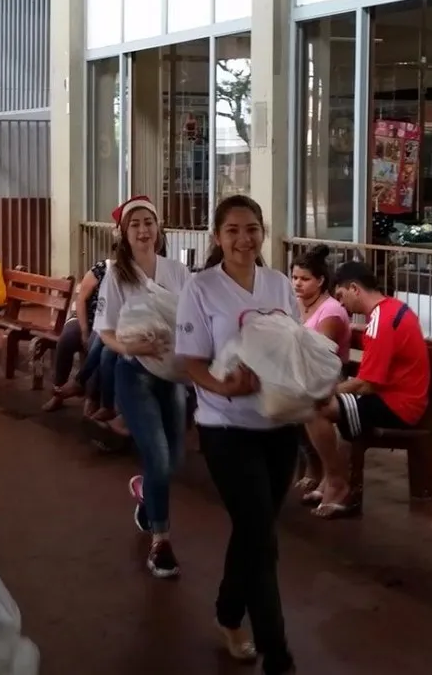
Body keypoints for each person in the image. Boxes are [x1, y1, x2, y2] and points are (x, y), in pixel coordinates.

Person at [174, 194, 300, 673]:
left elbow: (294, 345)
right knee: (261, 537)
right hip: (225, 427)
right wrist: (223, 387)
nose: (244, 239)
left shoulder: (279, 285)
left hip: (279, 425)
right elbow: (190, 361)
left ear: (263, 233)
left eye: (252, 229)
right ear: (217, 237)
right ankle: (276, 653)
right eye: (233, 230)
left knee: (254, 531)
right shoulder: (201, 288)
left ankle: (228, 613)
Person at [93, 195, 189, 579]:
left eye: (148, 222)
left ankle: (146, 497)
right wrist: (131, 348)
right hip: (135, 373)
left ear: (159, 229)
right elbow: (106, 331)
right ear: (124, 233)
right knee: (159, 458)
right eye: (135, 225)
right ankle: (161, 542)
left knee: (173, 460)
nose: (143, 230)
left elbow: (193, 318)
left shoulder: (178, 272)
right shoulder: (118, 275)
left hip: (174, 374)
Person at [312, 259, 432, 518]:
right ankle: (331, 478)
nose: (341, 304)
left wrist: (328, 392)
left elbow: (366, 383)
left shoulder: (381, 319)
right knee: (319, 404)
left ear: (354, 289)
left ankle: (337, 483)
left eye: (341, 296)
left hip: (396, 406)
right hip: (400, 400)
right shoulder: (393, 309)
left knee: (315, 408)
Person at [286, 246, 354, 519]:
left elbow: (321, 354)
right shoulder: (296, 305)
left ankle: (331, 475)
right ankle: (317, 471)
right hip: (299, 372)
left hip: (327, 376)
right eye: (294, 278)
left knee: (303, 404)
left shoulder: (331, 311)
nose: (297, 284)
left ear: (321, 280)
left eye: (304, 279)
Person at [42, 259, 110, 412]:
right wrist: (84, 330)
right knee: (67, 339)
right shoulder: (102, 269)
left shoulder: (136, 275)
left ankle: (91, 399)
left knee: (95, 346)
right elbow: (81, 300)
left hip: (105, 325)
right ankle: (59, 390)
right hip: (84, 317)